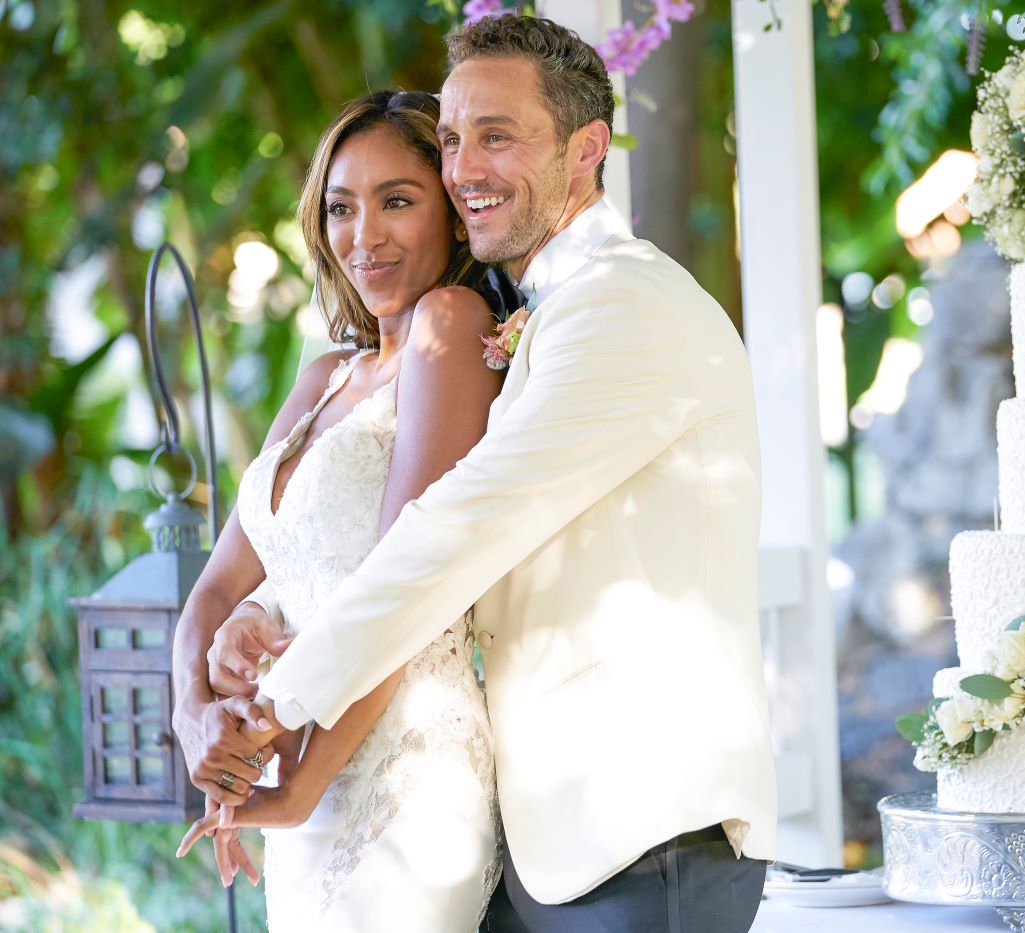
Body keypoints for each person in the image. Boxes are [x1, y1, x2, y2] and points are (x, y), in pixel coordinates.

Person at [209, 14, 777, 931]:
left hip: (646, 832)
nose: (464, 169)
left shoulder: (622, 305)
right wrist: (255, 618)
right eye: (454, 139)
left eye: (498, 137)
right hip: (553, 841)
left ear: (588, 149)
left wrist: (274, 710)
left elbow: (449, 535)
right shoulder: (538, 311)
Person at [170, 89, 505, 929]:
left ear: (456, 216)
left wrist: (296, 790)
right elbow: (213, 591)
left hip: (402, 780)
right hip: (302, 766)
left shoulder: (451, 325)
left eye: (399, 200)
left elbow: (403, 587)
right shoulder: (324, 376)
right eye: (342, 207)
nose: (366, 235)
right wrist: (196, 718)